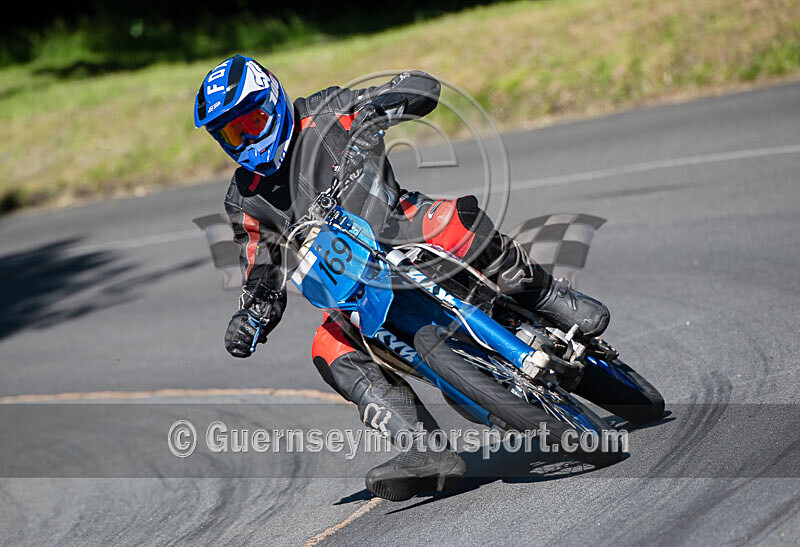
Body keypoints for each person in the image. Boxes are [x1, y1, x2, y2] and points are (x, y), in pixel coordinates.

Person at [194, 55, 610, 501]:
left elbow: (419, 86)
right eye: (230, 134)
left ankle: (544, 294)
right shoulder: (245, 198)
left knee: (453, 221)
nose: (243, 141)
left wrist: (390, 102)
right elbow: (260, 265)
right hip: (350, 286)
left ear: (274, 100)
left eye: (251, 122)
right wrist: (253, 314)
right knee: (327, 349)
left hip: (400, 226)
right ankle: (423, 448)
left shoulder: (328, 112)